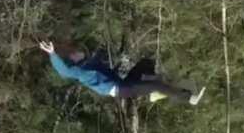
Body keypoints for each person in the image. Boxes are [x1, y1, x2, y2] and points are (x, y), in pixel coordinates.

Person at [39, 41, 206, 105]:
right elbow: (64, 71)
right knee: (156, 85)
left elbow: (108, 70)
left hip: (123, 82)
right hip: (121, 90)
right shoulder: (81, 71)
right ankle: (190, 98)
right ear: (75, 60)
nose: (78, 53)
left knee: (145, 63)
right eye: (75, 54)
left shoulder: (92, 62)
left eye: (77, 52)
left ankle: (153, 92)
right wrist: (53, 54)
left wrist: (120, 65)